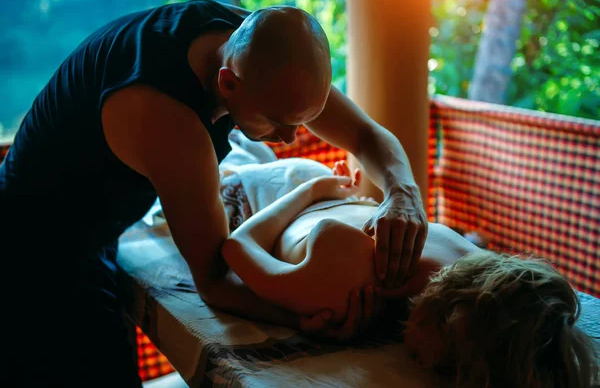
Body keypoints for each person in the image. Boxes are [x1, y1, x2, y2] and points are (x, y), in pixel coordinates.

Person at [0, 0, 427, 387]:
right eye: (278, 123)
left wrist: (404, 193)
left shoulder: (258, 45)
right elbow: (214, 279)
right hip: (35, 246)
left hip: (93, 218)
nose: (292, 138)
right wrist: (313, 318)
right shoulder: (169, 120)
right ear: (227, 84)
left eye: (305, 119)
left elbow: (366, 135)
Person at [218, 156, 600, 388]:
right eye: (446, 366)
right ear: (454, 322)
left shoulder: (467, 257)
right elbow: (237, 246)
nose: (432, 369)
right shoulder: (342, 281)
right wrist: (313, 191)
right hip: (256, 196)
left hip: (331, 191)